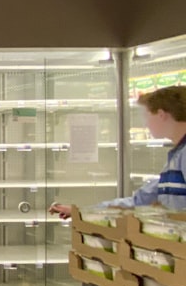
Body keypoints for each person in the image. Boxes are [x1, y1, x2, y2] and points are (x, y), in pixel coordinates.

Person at [51, 86, 186, 219]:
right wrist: (83, 212)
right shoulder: (176, 157)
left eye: (147, 116)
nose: (146, 124)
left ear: (161, 115)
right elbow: (140, 201)